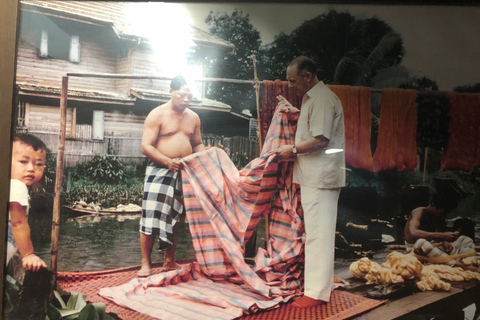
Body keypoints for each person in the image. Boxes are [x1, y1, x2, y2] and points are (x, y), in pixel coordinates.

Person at [276, 56, 346, 308]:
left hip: (321, 177)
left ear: (308, 76)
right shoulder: (312, 99)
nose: (291, 85)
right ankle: (320, 284)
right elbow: (312, 129)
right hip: (313, 175)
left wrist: (291, 150)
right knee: (317, 232)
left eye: (293, 81)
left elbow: (321, 140)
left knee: (319, 235)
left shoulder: (322, 99)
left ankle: (316, 293)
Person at [138, 75, 205, 276]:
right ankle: (145, 263)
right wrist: (167, 161)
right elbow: (145, 146)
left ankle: (169, 261)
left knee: (175, 216)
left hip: (185, 172)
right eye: (182, 95)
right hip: (159, 169)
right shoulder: (157, 115)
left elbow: (197, 143)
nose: (186, 100)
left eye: (189, 96)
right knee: (151, 215)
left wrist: (204, 154)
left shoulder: (194, 117)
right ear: (171, 92)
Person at [6, 133, 50, 319]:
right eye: (23, 162)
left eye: (38, 164)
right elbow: (18, 222)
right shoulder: (17, 186)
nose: (32, 168)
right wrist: (29, 254)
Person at [404, 193, 475, 265]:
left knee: (465, 239)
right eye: (443, 211)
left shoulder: (440, 216)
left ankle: (466, 261)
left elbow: (442, 235)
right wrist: (442, 236)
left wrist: (445, 242)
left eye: (447, 212)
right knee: (421, 242)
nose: (445, 214)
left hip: (434, 248)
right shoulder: (418, 212)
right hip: (416, 249)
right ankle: (455, 264)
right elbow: (413, 233)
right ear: (433, 204)